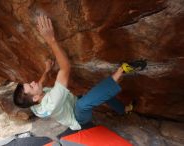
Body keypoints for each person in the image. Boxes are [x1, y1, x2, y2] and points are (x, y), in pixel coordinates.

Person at [13, 15, 147, 130]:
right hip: (78, 118)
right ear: (35, 98)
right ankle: (122, 70)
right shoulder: (51, 102)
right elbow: (65, 68)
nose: (33, 82)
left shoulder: (33, 103)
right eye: (31, 86)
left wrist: (47, 71)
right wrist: (51, 39)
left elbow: (40, 84)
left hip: (73, 103)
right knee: (84, 104)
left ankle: (123, 110)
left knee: (96, 93)